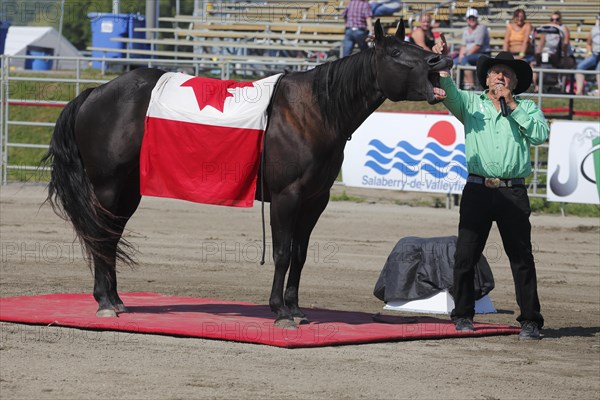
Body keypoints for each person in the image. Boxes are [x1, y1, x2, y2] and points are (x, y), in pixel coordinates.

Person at [432, 34, 549, 340]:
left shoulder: (527, 108)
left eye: (506, 73)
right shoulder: (471, 104)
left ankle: (530, 320)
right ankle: (463, 315)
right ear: (486, 78)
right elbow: (450, 94)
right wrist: (443, 64)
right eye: (495, 71)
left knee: (522, 258)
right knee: (466, 255)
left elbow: (539, 135)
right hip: (478, 189)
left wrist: (511, 104)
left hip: (513, 191)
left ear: (514, 82)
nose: (500, 75)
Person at [532, 11, 574, 91]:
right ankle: (536, 86)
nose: (554, 21)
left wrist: (564, 58)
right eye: (552, 19)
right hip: (548, 53)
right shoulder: (546, 28)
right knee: (534, 64)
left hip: (561, 54)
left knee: (560, 61)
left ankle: (559, 84)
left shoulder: (564, 28)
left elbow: (565, 44)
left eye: (557, 19)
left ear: (560, 20)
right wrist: (536, 57)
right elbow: (541, 44)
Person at [456, 8, 491, 89]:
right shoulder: (466, 31)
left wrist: (464, 56)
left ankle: (470, 85)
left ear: (476, 18)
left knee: (465, 60)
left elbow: (478, 46)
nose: (471, 19)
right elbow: (463, 45)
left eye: (473, 18)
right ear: (467, 19)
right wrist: (461, 55)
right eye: (469, 18)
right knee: (454, 62)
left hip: (483, 54)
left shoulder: (481, 28)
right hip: (470, 55)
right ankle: (458, 86)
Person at [575, 15, 600, 96]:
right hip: (595, 54)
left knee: (599, 69)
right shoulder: (594, 30)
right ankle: (579, 91)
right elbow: (588, 43)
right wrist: (589, 53)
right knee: (580, 67)